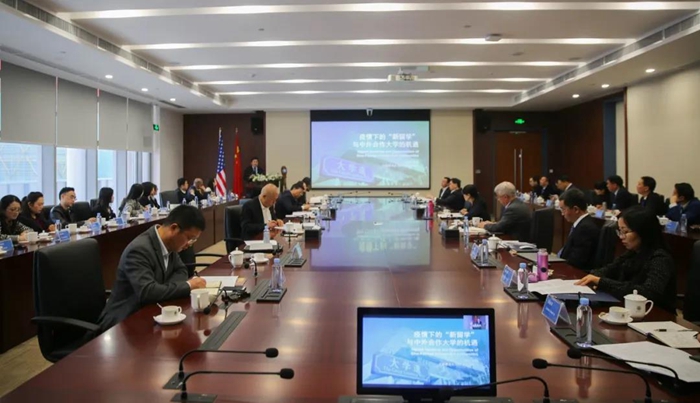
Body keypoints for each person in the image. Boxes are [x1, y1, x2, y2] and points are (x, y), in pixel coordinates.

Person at [96, 205, 207, 332]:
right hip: (123, 323)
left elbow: (181, 270)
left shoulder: (169, 244)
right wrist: (188, 286)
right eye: (189, 238)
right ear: (174, 228)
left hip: (153, 311)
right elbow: (148, 292)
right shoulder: (139, 250)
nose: (189, 244)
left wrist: (160, 289)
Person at [576, 206, 676, 312]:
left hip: (655, 314)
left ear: (643, 232)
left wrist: (602, 282)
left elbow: (647, 292)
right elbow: (609, 269)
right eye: (620, 231)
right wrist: (594, 278)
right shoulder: (632, 253)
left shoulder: (660, 258)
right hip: (629, 310)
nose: (621, 236)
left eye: (626, 232)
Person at [558, 189, 601, 272]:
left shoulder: (585, 229)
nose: (562, 214)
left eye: (563, 209)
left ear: (576, 209)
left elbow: (576, 261)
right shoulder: (581, 224)